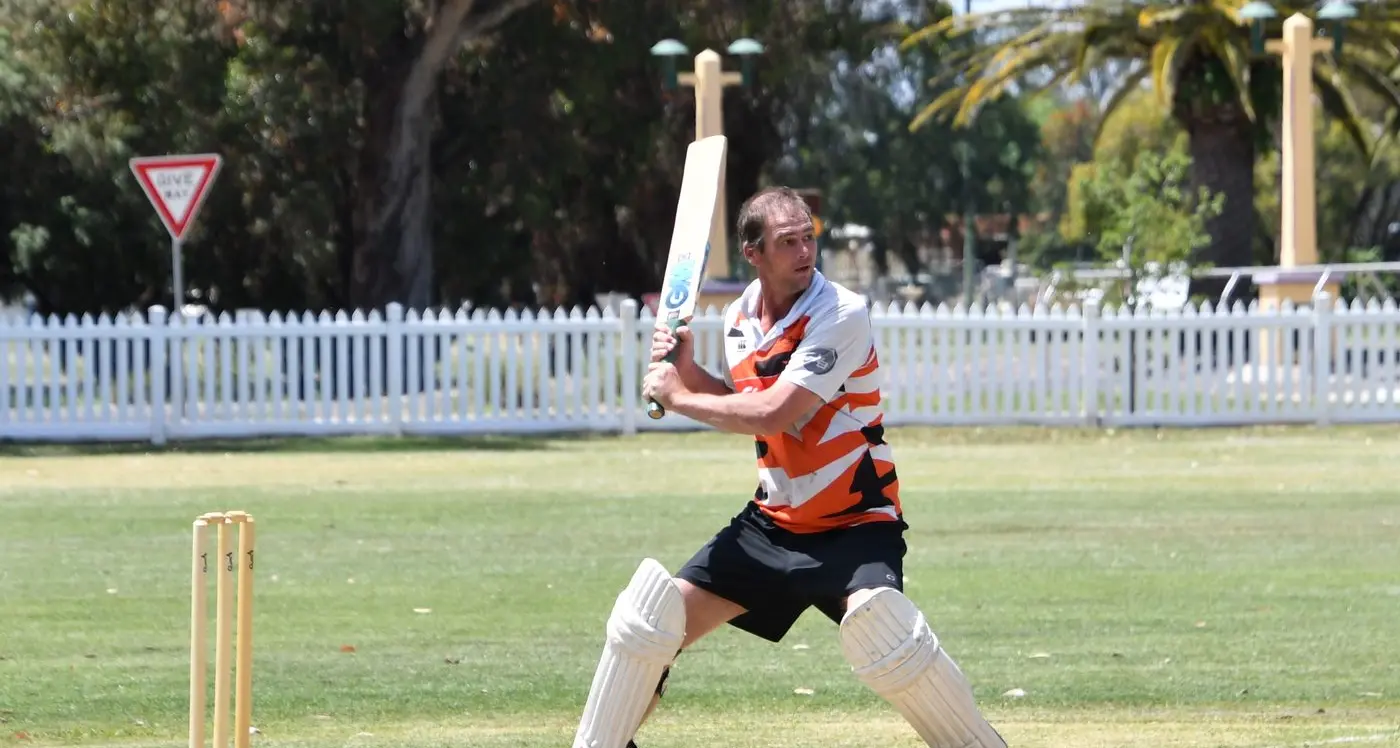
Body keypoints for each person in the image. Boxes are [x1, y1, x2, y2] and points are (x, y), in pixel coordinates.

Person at [570, 187, 1007, 748]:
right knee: (646, 624)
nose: (805, 251)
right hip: (773, 524)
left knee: (887, 633)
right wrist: (689, 371)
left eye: (809, 237)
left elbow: (778, 413)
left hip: (856, 521)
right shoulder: (737, 318)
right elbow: (743, 401)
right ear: (753, 252)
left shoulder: (841, 312)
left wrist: (679, 398)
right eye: (787, 242)